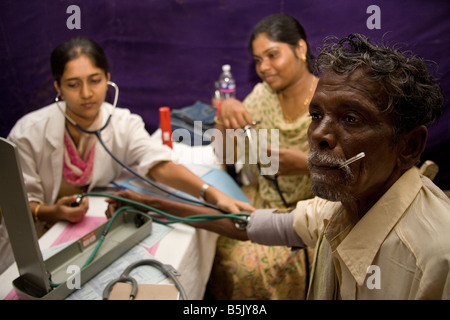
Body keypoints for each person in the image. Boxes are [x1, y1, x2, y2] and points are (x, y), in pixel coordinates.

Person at [106, 33, 450, 299]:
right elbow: (244, 212)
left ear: (409, 146)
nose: (318, 134)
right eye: (316, 116)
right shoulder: (337, 208)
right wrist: (149, 202)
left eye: (350, 118)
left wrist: (297, 164)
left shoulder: (436, 259)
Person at [6, 36, 253, 236]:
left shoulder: (123, 122)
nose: (86, 93)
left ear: (108, 79)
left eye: (95, 80)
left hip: (85, 229)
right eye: (73, 84)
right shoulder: (28, 133)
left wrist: (213, 195)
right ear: (58, 87)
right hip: (35, 237)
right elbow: (12, 205)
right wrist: (51, 212)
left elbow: (158, 164)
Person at [208, 14, 317, 299]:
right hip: (265, 199)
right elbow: (225, 153)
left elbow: (359, 170)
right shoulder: (262, 97)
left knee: (251, 271)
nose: (264, 67)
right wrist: (225, 112)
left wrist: (308, 166)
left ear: (300, 49)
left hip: (313, 214)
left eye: (272, 55)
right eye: (258, 60)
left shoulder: (329, 101)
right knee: (214, 235)